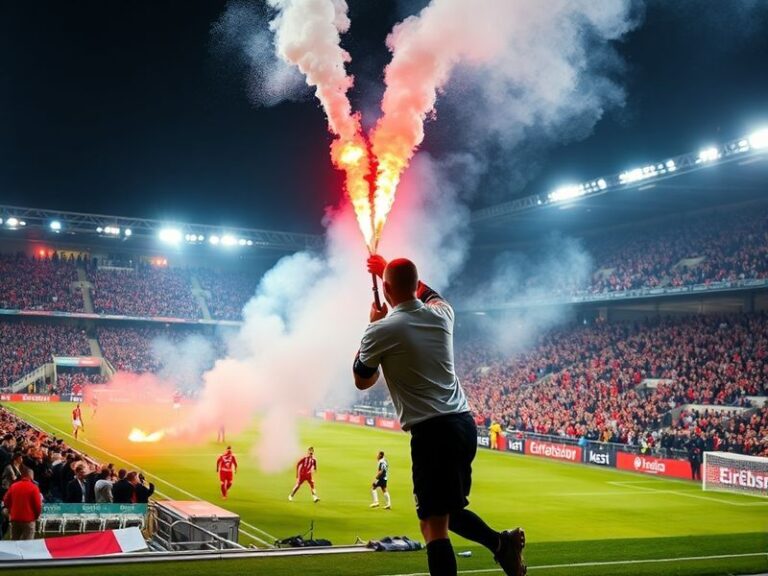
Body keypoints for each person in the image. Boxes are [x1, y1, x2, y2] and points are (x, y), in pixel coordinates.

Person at [354, 256, 526, 576]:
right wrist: (386, 270)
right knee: (450, 511)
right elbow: (430, 293)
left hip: (433, 432)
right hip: (463, 423)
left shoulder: (380, 329)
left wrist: (371, 323)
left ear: (386, 289)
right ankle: (503, 546)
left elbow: (362, 379)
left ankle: (503, 547)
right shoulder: (443, 313)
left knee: (432, 525)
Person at [2, 466, 42, 540]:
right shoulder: (34, 487)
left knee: (15, 541)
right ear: (31, 476)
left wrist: (11, 510)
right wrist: (36, 516)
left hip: (15, 517)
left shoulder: (13, 486)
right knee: (28, 543)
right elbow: (37, 505)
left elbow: (6, 500)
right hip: (29, 519)